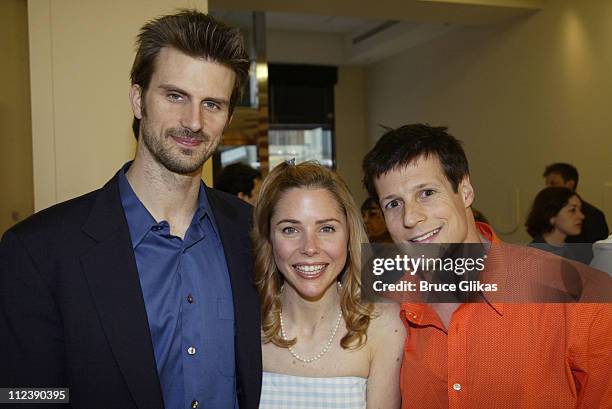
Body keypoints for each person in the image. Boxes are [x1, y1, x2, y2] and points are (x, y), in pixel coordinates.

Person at [0, 10, 261, 409]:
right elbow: (26, 397)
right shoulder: (39, 251)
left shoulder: (255, 233)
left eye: (212, 103)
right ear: (138, 99)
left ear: (226, 117)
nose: (193, 121)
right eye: (175, 96)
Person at [362, 124, 612, 408]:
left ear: (465, 191)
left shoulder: (576, 296)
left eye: (427, 193)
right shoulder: (389, 308)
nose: (411, 217)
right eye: (394, 204)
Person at [252, 161, 405, 409]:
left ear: (349, 235)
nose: (310, 247)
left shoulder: (384, 326)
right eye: (290, 229)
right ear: (269, 238)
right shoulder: (244, 324)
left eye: (326, 228)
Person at [543, 163, 608, 243]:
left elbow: (599, 252)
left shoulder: (593, 215)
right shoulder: (546, 211)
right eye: (547, 184)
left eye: (553, 184)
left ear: (570, 184)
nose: (548, 189)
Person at [526, 187, 590, 264]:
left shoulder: (573, 253)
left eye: (580, 210)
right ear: (551, 215)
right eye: (572, 210)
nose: (581, 216)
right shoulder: (533, 256)